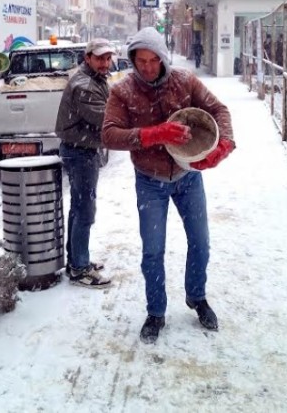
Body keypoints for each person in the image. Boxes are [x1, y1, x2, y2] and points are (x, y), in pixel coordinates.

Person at [102, 27, 235, 344]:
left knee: (200, 243)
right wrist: (153, 135)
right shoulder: (123, 91)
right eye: (140, 60)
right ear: (133, 60)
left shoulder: (185, 81)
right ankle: (156, 312)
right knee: (153, 251)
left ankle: (197, 297)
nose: (147, 67)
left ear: (163, 57)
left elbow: (219, 110)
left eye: (153, 60)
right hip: (150, 180)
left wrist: (224, 145)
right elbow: (108, 134)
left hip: (188, 176)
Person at [55, 38, 115, 289]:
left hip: (82, 149)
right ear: (87, 57)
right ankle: (79, 268)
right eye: (99, 58)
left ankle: (77, 260)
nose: (105, 63)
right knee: (84, 211)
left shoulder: (93, 79)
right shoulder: (84, 85)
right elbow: (105, 118)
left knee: (78, 208)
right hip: (80, 152)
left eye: (108, 58)